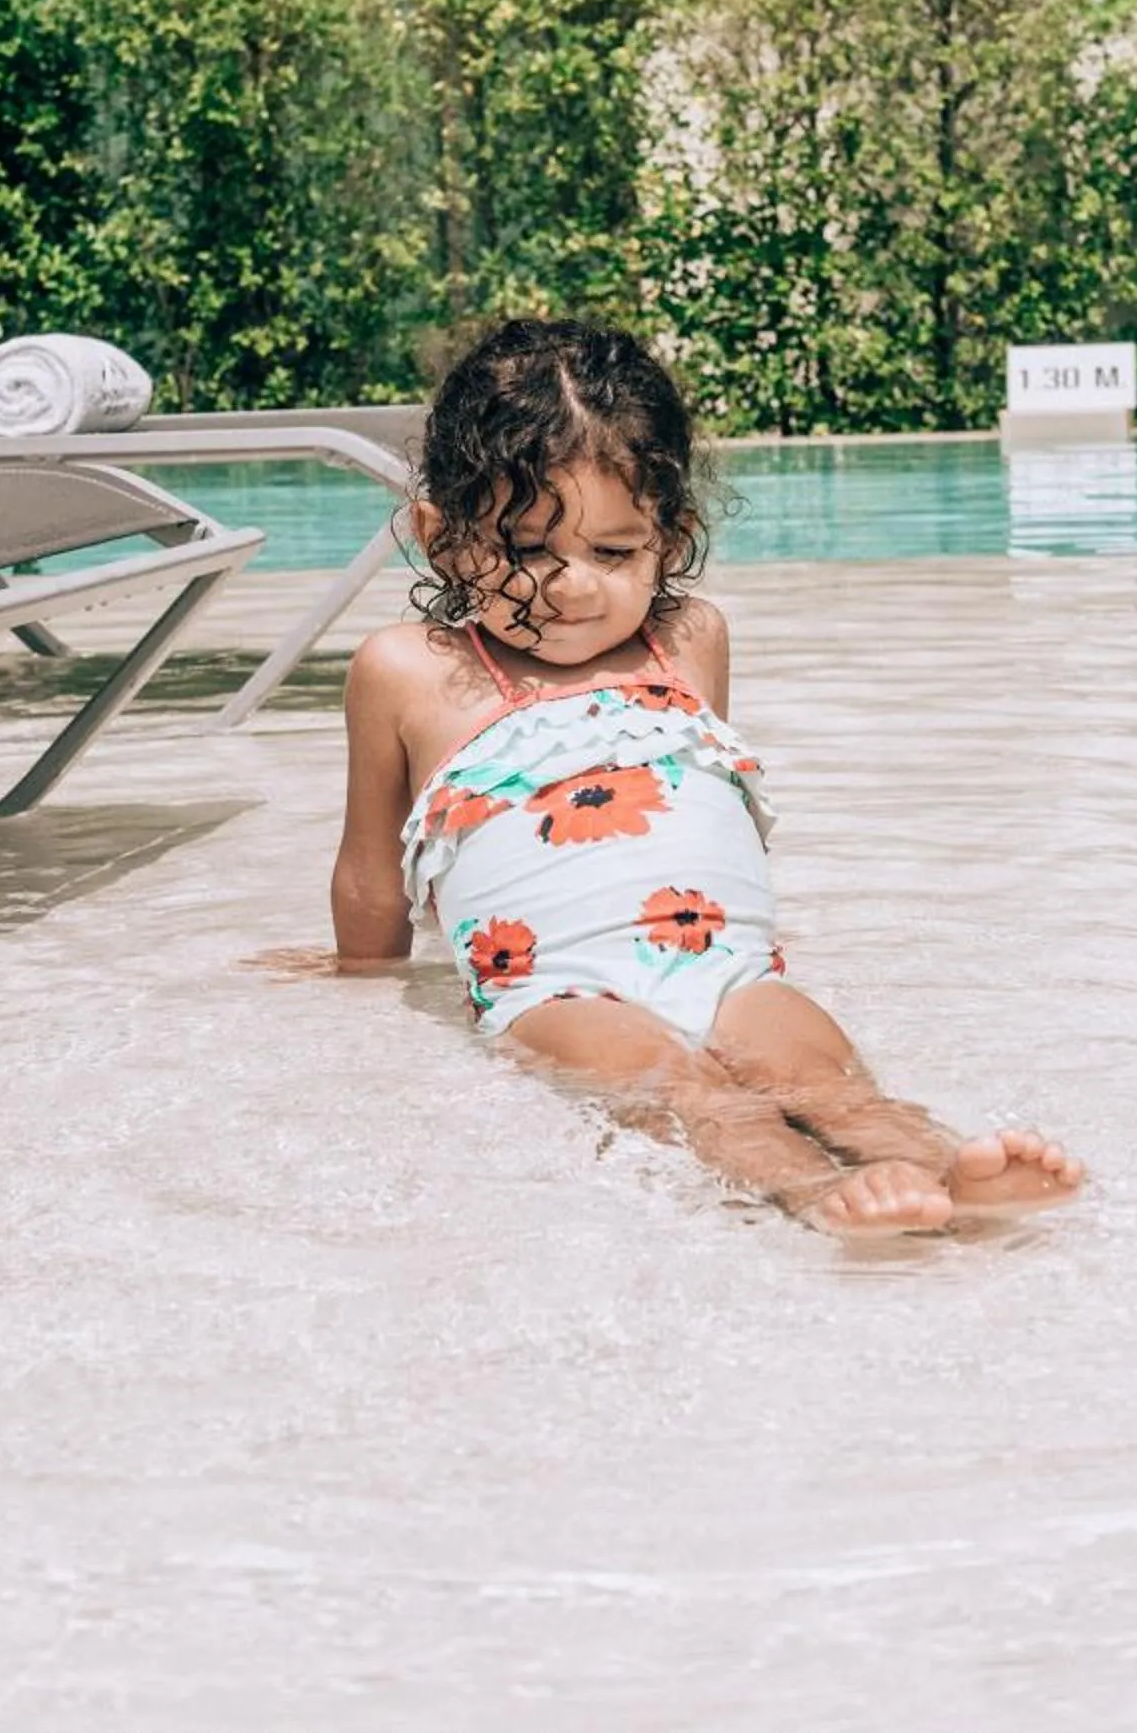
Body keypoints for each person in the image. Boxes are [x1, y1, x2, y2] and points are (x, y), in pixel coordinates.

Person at [312, 317, 1085, 1240]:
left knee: (819, 1076)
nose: (571, 587)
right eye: (524, 549)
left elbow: (708, 805)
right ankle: (810, 1194)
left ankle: (939, 1172)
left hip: (728, 965)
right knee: (678, 1088)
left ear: (669, 537)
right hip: (556, 991)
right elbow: (368, 865)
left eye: (614, 550)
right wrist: (362, 976)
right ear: (440, 536)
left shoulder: (688, 639)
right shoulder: (409, 670)